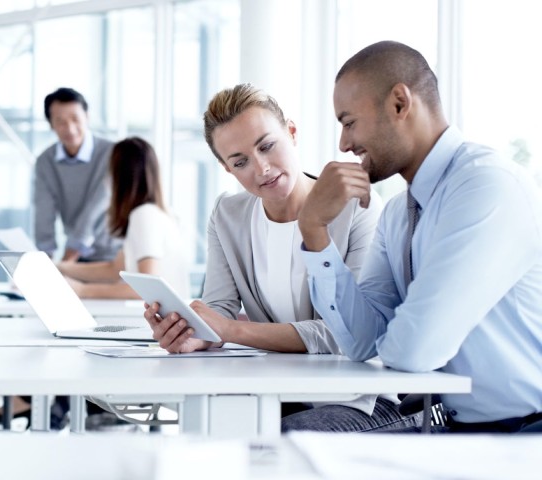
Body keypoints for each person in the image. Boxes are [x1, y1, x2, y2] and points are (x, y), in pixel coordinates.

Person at [143, 83, 420, 432]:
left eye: (267, 146)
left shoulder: (357, 209)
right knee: (207, 431)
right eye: (240, 161)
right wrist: (192, 332)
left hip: (362, 399)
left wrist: (230, 330)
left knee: (273, 440)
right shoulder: (228, 215)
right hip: (281, 393)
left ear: (291, 132)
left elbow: (346, 334)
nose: (261, 169)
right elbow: (218, 310)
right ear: (227, 169)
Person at [298, 41, 542, 433]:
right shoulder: (398, 213)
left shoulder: (486, 187)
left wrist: (393, 337)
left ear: (399, 103)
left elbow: (413, 351)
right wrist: (313, 230)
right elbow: (362, 342)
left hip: (526, 438)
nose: (343, 144)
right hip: (461, 434)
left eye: (348, 122)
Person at [57, 136, 190, 299]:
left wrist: (82, 290)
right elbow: (114, 269)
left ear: (120, 176)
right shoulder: (157, 213)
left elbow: (148, 289)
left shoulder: (144, 216)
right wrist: (60, 268)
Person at [33, 87, 120, 262]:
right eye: (61, 122)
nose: (70, 129)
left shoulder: (112, 153)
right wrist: (43, 260)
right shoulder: (45, 161)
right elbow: (44, 211)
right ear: (51, 125)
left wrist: (70, 255)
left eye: (75, 119)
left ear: (87, 117)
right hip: (77, 256)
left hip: (114, 254)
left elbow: (98, 204)